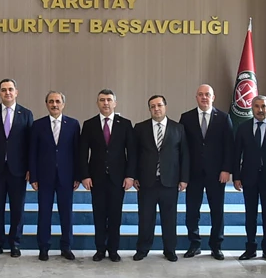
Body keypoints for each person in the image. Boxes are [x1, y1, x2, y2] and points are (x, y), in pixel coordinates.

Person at [78, 89, 136, 262]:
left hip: (118, 179)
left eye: (109, 100)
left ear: (115, 103)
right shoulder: (89, 124)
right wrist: (85, 175)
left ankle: (113, 250)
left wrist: (130, 175)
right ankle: (100, 249)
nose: (105, 103)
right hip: (96, 178)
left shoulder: (125, 124)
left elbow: (132, 152)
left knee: (115, 215)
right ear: (97, 103)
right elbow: (82, 152)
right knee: (99, 215)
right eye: (102, 100)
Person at [178, 84, 234, 260]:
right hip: (193, 174)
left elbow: (229, 146)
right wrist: (183, 174)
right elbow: (181, 148)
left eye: (207, 94)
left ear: (213, 97)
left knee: (217, 211)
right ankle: (194, 244)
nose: (204, 97)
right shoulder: (186, 118)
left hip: (217, 174)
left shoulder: (224, 118)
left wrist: (226, 169)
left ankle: (216, 246)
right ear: (196, 97)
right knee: (192, 211)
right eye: (201, 94)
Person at [132, 95, 189, 262]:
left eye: (159, 105)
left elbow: (185, 155)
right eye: (152, 106)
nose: (156, 109)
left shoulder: (178, 128)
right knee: (145, 218)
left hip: (170, 182)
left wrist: (184, 178)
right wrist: (134, 176)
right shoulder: (140, 128)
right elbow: (134, 155)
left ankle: (170, 250)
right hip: (146, 182)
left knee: (169, 219)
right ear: (149, 109)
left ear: (165, 106)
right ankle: (142, 249)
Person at [233, 95, 266, 262]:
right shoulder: (243, 127)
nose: (260, 109)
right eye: (257, 106)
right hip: (248, 177)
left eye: (263, 106)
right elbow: (237, 153)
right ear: (252, 108)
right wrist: (236, 176)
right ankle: (250, 249)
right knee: (250, 215)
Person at [0, 78, 33, 257]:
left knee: (17, 209)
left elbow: (31, 145)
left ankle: (15, 243)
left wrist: (31, 168)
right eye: (4, 90)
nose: (7, 93)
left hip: (18, 171)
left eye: (10, 89)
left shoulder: (26, 114)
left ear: (16, 92)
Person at [29, 91, 81, 261]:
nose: (54, 104)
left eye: (58, 101)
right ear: (46, 104)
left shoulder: (73, 124)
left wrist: (77, 176)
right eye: (51, 101)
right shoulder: (38, 125)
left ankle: (66, 247)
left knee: (66, 213)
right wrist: (33, 177)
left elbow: (77, 152)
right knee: (44, 213)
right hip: (44, 177)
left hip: (67, 176)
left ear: (63, 104)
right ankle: (44, 247)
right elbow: (32, 153)